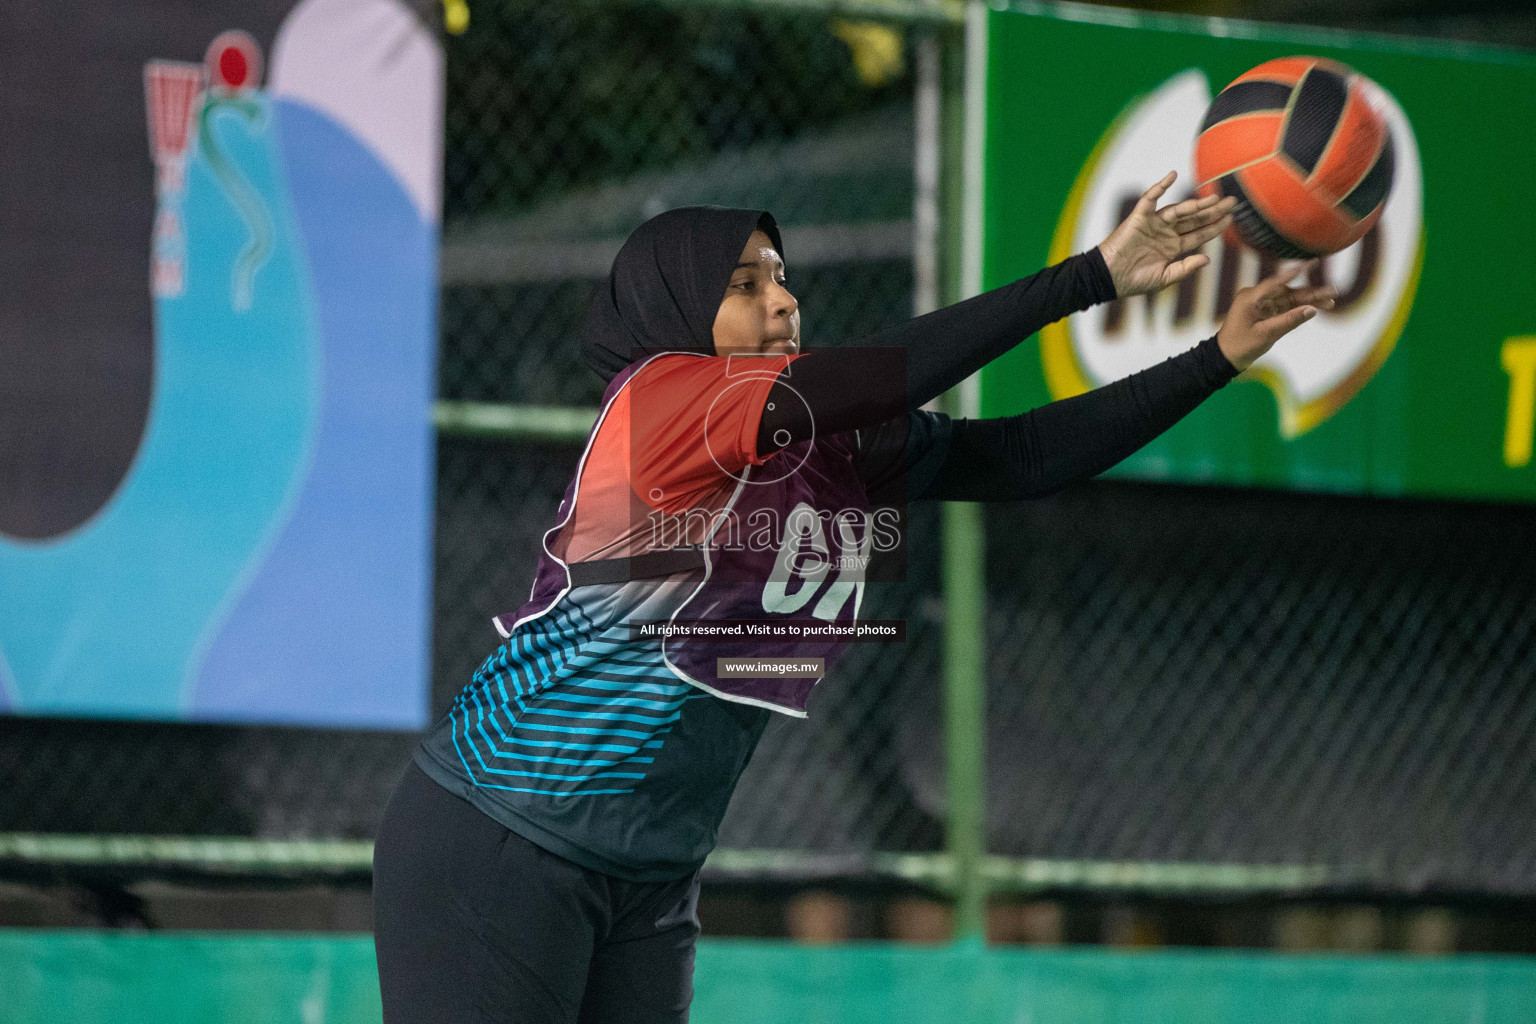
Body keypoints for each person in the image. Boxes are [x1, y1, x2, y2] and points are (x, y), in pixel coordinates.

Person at [372, 173, 1335, 1023]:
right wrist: (1084, 279)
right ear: (674, 307)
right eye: (744, 285)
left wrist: (1214, 358)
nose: (782, 301)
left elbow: (1020, 456)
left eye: (782, 277)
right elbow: (884, 373)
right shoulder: (665, 396)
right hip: (502, 829)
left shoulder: (826, 449)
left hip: (651, 866)